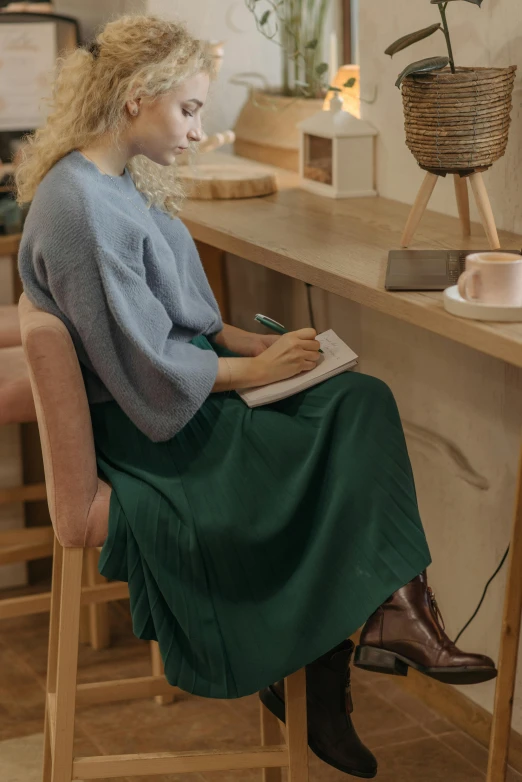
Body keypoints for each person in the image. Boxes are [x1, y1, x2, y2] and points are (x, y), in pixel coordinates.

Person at [16, 15, 496, 779]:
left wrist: (251, 346)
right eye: (190, 109)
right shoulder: (79, 212)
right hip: (157, 438)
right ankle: (337, 654)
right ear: (137, 98)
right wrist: (253, 373)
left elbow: (175, 325)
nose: (199, 130)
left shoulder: (115, 180)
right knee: (350, 415)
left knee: (358, 401)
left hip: (181, 394)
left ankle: (384, 620)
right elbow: (149, 376)